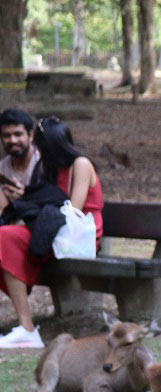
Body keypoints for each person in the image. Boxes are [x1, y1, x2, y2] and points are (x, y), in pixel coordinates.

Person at [0, 117, 103, 349]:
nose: (41, 151)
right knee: (5, 236)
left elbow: (72, 211)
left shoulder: (81, 164)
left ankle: (27, 328)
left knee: (6, 238)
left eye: (44, 146)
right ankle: (25, 327)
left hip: (79, 235)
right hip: (56, 230)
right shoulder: (51, 168)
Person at [0, 108, 40, 199]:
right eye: (6, 135)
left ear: (31, 136)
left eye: (18, 134)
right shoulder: (2, 168)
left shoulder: (44, 164)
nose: (12, 140)